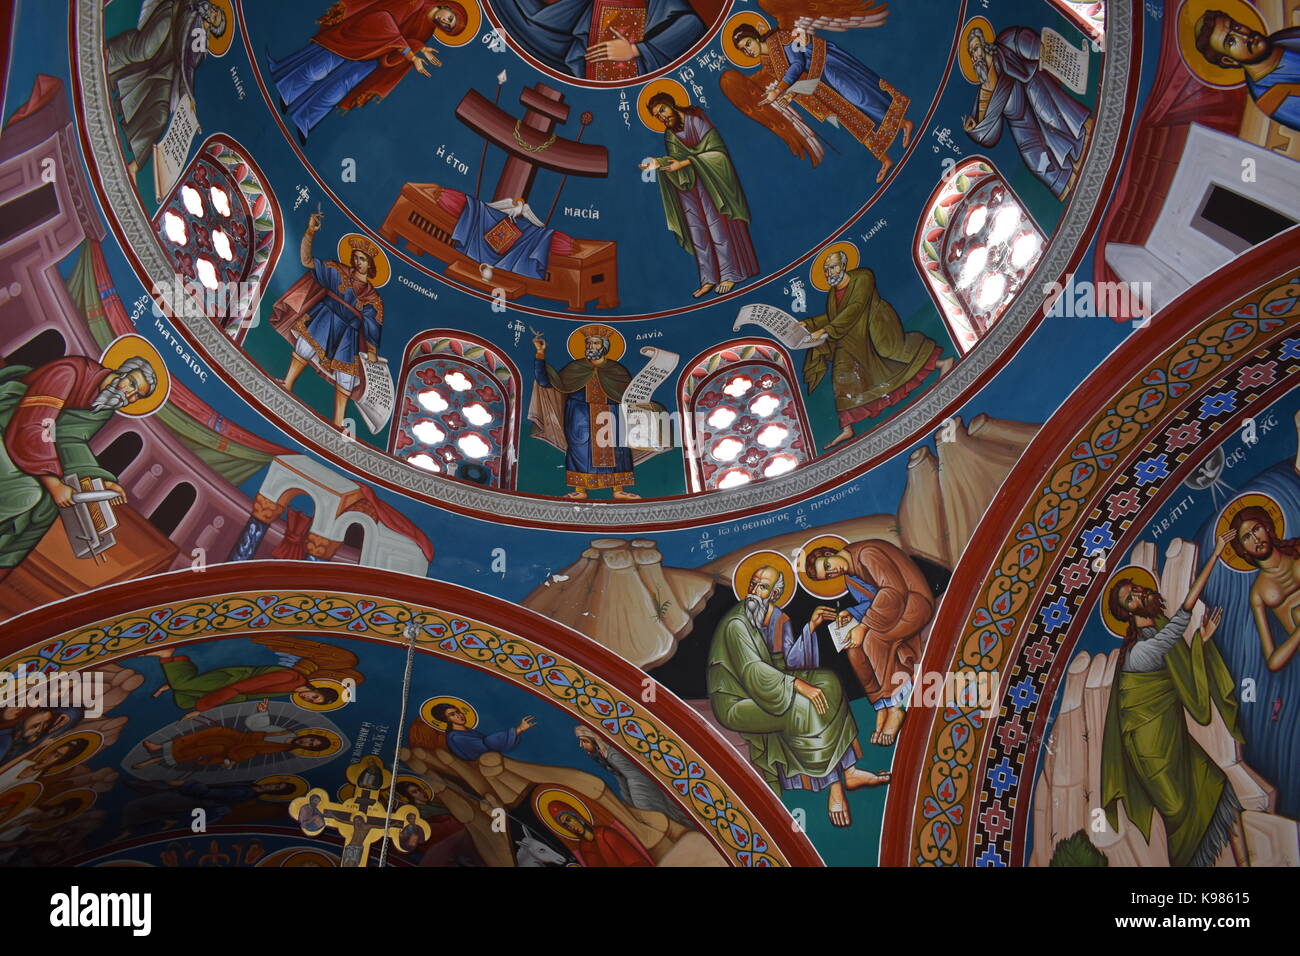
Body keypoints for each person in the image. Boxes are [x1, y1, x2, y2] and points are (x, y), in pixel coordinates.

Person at [1101, 532, 1246, 867]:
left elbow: (1179, 627)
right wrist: (1217, 554)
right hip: (1154, 752)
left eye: (1135, 589)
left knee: (1218, 787)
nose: (1138, 593)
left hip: (1172, 739)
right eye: (1130, 599)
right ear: (1128, 613)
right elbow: (1186, 610)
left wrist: (1200, 643)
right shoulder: (1143, 650)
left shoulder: (1155, 632)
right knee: (1182, 814)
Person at [707, 563, 888, 827]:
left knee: (828, 682)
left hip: (769, 687)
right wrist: (797, 685)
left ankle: (849, 770)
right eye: (753, 584)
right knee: (803, 708)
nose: (756, 590)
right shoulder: (738, 623)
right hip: (738, 701)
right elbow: (753, 671)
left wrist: (811, 627)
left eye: (763, 586)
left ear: (775, 593)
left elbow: (790, 662)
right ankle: (834, 785)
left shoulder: (776, 617)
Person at [0, 355, 156, 582]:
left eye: (136, 396)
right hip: (9, 423)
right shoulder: (71, 371)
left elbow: (71, 439)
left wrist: (97, 479)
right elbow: (34, 424)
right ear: (121, 371)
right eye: (131, 384)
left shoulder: (104, 404)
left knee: (47, 509)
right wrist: (52, 483)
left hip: (36, 447)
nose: (128, 396)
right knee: (28, 494)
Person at [800, 251, 949, 449]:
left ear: (843, 265)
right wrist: (808, 324)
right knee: (842, 374)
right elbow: (833, 315)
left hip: (875, 324)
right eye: (826, 270)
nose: (829, 272)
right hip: (850, 334)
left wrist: (825, 330)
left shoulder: (863, 277)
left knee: (892, 353)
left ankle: (941, 363)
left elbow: (856, 306)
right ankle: (847, 428)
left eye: (833, 267)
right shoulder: (832, 294)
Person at [732, 22, 912, 183]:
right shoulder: (768, 62)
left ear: (755, 36)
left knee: (859, 98)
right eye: (743, 50)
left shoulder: (779, 39)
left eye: (748, 43)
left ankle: (904, 124)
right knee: (850, 119)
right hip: (817, 85)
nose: (748, 50)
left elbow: (797, 64)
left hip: (827, 66)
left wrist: (779, 91)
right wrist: (789, 95)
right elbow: (797, 79)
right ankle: (884, 158)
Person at [803, 538, 935, 745]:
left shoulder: (866, 554)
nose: (832, 573)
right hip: (894, 611)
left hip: (915, 603)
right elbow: (871, 600)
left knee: (872, 639)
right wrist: (852, 612)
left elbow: (893, 592)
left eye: (828, 566)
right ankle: (881, 706)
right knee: (853, 649)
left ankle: (895, 707)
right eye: (827, 576)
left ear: (829, 554)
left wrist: (863, 626)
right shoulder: (850, 576)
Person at [639, 93, 758, 299]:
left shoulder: (697, 122)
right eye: (657, 116)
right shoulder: (670, 134)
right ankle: (708, 279)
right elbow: (675, 159)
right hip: (688, 187)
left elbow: (717, 153)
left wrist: (684, 163)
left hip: (712, 183)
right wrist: (659, 163)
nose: (662, 117)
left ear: (671, 105)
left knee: (718, 228)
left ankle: (729, 274)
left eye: (662, 111)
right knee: (698, 234)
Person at [963, 24, 1093, 200]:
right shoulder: (985, 90)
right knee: (1036, 163)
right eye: (971, 54)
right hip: (1021, 124)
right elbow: (989, 134)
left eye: (976, 48)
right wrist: (974, 129)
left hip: (1034, 90)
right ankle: (1074, 190)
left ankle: (1086, 152)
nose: (975, 56)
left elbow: (1026, 43)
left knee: (1053, 119)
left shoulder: (1003, 47)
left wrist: (1035, 48)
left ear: (985, 44)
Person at [279, 212, 384, 428]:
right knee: (305, 347)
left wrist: (372, 350)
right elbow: (306, 261)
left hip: (349, 333)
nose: (357, 262)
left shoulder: (372, 296)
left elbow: (373, 324)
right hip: (325, 317)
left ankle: (337, 422)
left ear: (371, 265)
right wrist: (310, 233)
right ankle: (287, 384)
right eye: (356, 257)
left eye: (362, 259)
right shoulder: (338, 272)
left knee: (346, 373)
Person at [106, 0, 227, 176]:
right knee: (145, 49)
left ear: (215, 28)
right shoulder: (194, 7)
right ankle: (108, 55)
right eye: (216, 10)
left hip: (169, 63)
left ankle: (134, 166)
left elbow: (187, 69)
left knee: (161, 116)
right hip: (170, 19)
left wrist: (189, 99)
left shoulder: (201, 47)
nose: (214, 12)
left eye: (217, 17)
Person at [531, 330, 641, 499]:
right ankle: (580, 490)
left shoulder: (617, 370)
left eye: (596, 343)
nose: (591, 346)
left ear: (604, 347)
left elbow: (629, 396)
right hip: (580, 415)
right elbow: (545, 382)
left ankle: (618, 489)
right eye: (588, 343)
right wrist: (540, 353)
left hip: (611, 415)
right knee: (579, 449)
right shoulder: (575, 368)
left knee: (618, 451)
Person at [490, 0, 705, 81]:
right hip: (593, 82)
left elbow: (691, 25)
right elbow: (545, 25)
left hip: (637, 81)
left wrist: (636, 50)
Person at [1194, 12, 1300, 133]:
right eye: (1231, 41)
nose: (1244, 36)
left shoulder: (1283, 38)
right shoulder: (1271, 97)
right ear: (1229, 61)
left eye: (1236, 27)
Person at [574, 725, 692, 825]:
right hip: (640, 790)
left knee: (663, 818)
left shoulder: (613, 755)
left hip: (646, 790)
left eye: (585, 741)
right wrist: (629, 803)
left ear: (596, 739)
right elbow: (621, 778)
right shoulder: (604, 755)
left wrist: (642, 805)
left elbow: (636, 777)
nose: (580, 745)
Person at [1230, 506, 1300, 671]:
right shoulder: (1259, 592)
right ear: (1242, 549)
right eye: (1247, 537)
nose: (1255, 539)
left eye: (1257, 529)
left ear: (1267, 527)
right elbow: (1273, 661)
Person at [430, 702, 535, 762]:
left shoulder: (469, 732)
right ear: (446, 720)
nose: (458, 715)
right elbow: (485, 745)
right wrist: (518, 730)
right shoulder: (455, 737)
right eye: (452, 715)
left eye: (458, 712)